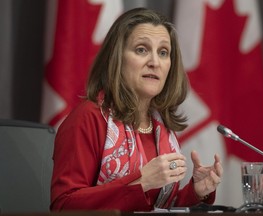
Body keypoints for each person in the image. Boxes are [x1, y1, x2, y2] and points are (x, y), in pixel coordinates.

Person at [50, 7, 223, 212]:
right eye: (141, 49)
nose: (154, 62)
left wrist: (195, 191)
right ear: (117, 58)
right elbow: (64, 206)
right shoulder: (88, 118)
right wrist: (141, 182)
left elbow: (153, 207)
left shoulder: (161, 126)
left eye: (163, 52)